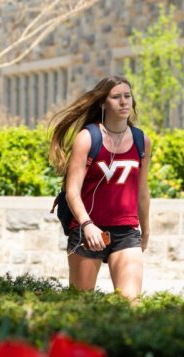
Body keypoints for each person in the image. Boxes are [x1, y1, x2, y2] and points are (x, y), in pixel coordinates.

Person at [48, 75, 151, 301]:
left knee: (131, 304)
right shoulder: (87, 138)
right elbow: (72, 190)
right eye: (116, 97)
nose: (124, 102)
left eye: (127, 96)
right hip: (88, 231)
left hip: (126, 232)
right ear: (103, 103)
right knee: (80, 304)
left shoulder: (141, 141)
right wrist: (87, 225)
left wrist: (146, 230)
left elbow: (142, 191)